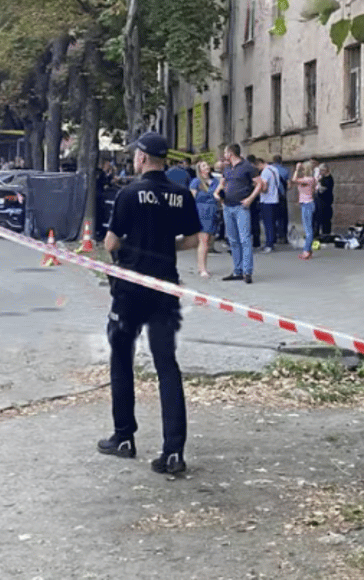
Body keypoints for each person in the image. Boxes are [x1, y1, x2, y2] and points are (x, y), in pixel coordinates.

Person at [98, 132, 204, 476]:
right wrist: (162, 247)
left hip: (130, 288)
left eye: (135, 155)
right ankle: (173, 451)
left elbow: (111, 242)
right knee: (166, 364)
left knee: (121, 357)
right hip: (165, 286)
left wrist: (131, 248)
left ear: (142, 158)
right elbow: (194, 238)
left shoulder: (129, 193)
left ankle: (124, 437)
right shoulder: (181, 195)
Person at [213, 143, 264, 284]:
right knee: (233, 240)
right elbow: (222, 183)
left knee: (244, 239)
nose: (224, 156)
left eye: (225, 153)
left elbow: (260, 184)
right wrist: (217, 193)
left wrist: (249, 199)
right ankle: (238, 270)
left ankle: (247, 272)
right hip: (227, 206)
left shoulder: (247, 167)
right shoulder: (227, 168)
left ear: (230, 153)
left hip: (241, 207)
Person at [191, 160, 221, 278]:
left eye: (207, 164)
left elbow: (219, 194)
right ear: (200, 170)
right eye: (204, 165)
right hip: (201, 212)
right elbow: (191, 198)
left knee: (208, 241)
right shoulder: (196, 182)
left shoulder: (215, 181)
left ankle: (203, 266)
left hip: (212, 211)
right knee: (203, 240)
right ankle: (202, 268)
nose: (207, 166)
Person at [256, 156, 283, 252]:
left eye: (257, 167)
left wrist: (257, 184)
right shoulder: (274, 169)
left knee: (268, 223)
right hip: (275, 198)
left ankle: (269, 244)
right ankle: (272, 241)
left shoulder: (265, 172)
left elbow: (264, 188)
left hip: (267, 200)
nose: (257, 169)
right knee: (272, 222)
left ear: (260, 163)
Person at [292, 161, 318, 260]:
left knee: (308, 229)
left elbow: (294, 180)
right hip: (307, 203)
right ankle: (308, 250)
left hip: (307, 204)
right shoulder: (311, 179)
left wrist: (297, 169)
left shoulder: (308, 179)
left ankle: (306, 250)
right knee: (308, 227)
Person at [271, 155, 291, 244]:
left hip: (271, 197)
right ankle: (282, 236)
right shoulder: (285, 170)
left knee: (272, 217)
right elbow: (289, 185)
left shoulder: (269, 170)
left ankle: (273, 236)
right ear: (281, 161)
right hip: (282, 196)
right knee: (283, 217)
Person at [314, 163, 335, 237]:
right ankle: (318, 233)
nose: (320, 172)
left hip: (326, 201)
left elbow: (323, 189)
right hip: (320, 200)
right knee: (319, 218)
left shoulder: (328, 179)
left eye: (321, 170)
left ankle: (326, 234)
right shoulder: (322, 178)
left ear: (325, 170)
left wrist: (318, 185)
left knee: (325, 219)